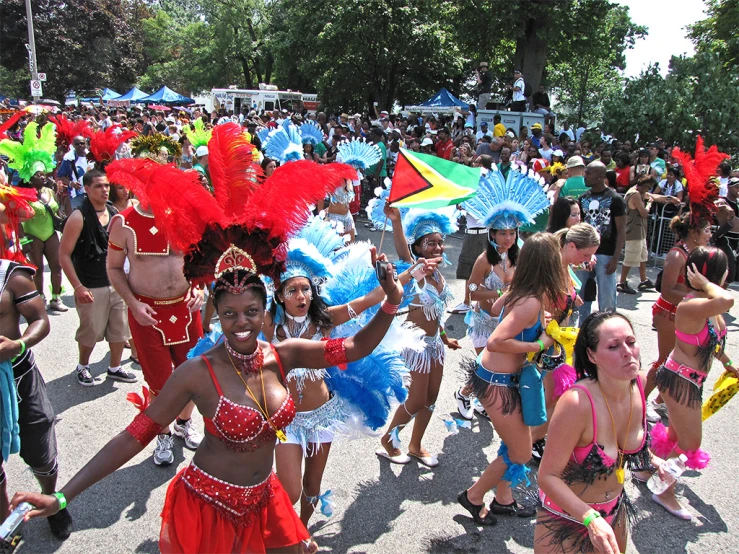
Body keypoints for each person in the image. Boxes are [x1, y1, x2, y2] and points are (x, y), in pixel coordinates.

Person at [458, 234, 567, 526]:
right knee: (520, 451)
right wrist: (539, 343)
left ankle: (503, 499)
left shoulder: (523, 290)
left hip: (499, 377)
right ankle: (474, 496)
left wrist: (529, 319)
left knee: (517, 441)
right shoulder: (529, 299)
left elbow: (495, 310)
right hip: (497, 382)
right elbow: (495, 341)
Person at [106, 164, 206, 466]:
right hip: (146, 313)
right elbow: (113, 268)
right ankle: (161, 435)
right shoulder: (122, 223)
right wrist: (133, 304)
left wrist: (201, 289)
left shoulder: (186, 217)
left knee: (193, 375)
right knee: (160, 383)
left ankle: (183, 424)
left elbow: (201, 261)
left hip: (186, 311)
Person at [536, 312, 655, 554]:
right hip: (567, 520)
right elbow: (547, 477)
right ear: (592, 355)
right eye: (613, 346)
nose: (627, 352)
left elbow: (624, 451)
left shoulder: (639, 387)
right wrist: (590, 518)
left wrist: (657, 463)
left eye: (631, 342)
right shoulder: (577, 403)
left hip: (614, 512)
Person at [0, 191, 73, 541]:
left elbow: (39, 320)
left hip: (18, 376)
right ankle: (6, 530)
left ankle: (52, 503)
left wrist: (19, 343)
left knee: (40, 448)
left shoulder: (11, 275)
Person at [650, 247, 735, 520]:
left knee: (676, 437)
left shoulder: (707, 303)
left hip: (689, 381)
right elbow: (728, 300)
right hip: (679, 381)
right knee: (690, 443)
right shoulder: (692, 304)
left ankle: (646, 467)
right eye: (725, 272)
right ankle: (663, 490)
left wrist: (725, 361)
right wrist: (708, 284)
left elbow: (712, 339)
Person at [377, 206, 461, 467]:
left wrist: (445, 337)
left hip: (435, 345)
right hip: (416, 347)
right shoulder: (415, 272)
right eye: (430, 243)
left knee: (431, 398)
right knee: (414, 400)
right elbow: (402, 249)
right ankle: (389, 439)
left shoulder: (437, 274)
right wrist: (397, 222)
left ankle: (415, 445)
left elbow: (437, 311)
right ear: (419, 247)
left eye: (440, 243)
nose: (437, 248)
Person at [59, 169, 136, 386]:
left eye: (106, 185)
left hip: (117, 284)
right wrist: (78, 287)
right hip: (91, 285)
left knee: (120, 330)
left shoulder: (113, 212)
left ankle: (114, 367)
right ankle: (83, 366)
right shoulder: (78, 217)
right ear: (86, 189)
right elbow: (64, 255)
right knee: (90, 332)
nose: (104, 190)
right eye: (98, 186)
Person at [0, 122, 67, 312]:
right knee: (37, 269)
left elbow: (56, 211)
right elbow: (16, 218)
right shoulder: (20, 194)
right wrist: (23, 239)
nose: (43, 177)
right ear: (30, 178)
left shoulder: (49, 191)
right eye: (38, 175)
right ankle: (41, 297)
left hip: (50, 233)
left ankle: (56, 298)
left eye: (43, 173)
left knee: (57, 266)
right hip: (33, 235)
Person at [576, 161, 626, 319]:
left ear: (600, 176)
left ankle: (607, 328)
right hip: (584, 254)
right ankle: (583, 328)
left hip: (606, 254)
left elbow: (621, 230)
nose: (585, 176)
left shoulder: (615, 199)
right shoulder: (583, 198)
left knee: (607, 297)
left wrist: (616, 258)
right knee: (582, 294)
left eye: (588, 173)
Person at [617, 175, 656, 295]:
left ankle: (643, 280)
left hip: (640, 230)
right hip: (634, 231)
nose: (648, 190)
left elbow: (655, 197)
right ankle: (622, 282)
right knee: (630, 258)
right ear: (643, 186)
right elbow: (644, 213)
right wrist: (649, 204)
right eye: (647, 188)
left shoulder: (637, 191)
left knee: (642, 257)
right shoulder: (635, 194)